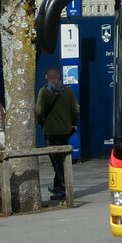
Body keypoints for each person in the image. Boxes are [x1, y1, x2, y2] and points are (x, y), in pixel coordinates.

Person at [35, 67, 79, 202]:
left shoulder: (44, 92)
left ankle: (61, 188)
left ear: (46, 77)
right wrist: (72, 123)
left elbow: (38, 111)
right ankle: (58, 185)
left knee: (56, 161)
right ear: (59, 77)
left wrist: (42, 123)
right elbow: (75, 110)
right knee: (61, 159)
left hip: (50, 130)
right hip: (65, 130)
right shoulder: (69, 92)